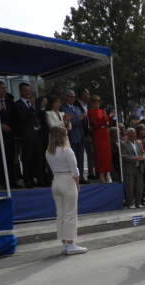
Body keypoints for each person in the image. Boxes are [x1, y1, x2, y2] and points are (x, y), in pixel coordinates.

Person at [45, 126, 87, 255]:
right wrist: (77, 184)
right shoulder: (67, 150)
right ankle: (71, 244)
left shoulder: (48, 151)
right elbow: (75, 171)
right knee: (70, 214)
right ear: (63, 136)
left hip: (56, 181)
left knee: (61, 214)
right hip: (67, 180)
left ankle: (64, 244)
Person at [14, 82, 44, 188]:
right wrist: (31, 107)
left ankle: (40, 179)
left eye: (29, 90)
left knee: (38, 158)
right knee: (28, 159)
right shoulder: (18, 104)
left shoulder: (33, 104)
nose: (28, 92)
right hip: (26, 136)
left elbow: (38, 116)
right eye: (25, 91)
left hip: (37, 135)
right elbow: (23, 117)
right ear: (21, 91)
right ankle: (28, 180)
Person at [61, 89, 87, 184]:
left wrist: (78, 119)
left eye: (74, 96)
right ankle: (73, 179)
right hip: (70, 137)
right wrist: (78, 119)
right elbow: (67, 123)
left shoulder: (77, 108)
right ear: (66, 97)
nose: (73, 98)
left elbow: (83, 121)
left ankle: (81, 177)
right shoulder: (63, 108)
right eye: (71, 96)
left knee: (80, 158)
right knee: (71, 159)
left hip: (80, 136)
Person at [88, 95, 113, 183]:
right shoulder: (90, 112)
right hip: (98, 134)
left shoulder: (103, 111)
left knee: (107, 155)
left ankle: (107, 173)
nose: (97, 103)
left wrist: (109, 117)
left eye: (98, 101)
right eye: (95, 102)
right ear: (92, 103)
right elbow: (95, 124)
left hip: (105, 133)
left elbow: (107, 122)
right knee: (100, 155)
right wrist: (104, 120)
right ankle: (101, 174)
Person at [74, 87, 95, 181]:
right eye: (87, 94)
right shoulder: (76, 105)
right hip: (80, 133)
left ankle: (91, 173)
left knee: (91, 153)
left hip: (89, 133)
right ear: (82, 95)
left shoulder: (88, 105)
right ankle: (80, 176)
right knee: (80, 156)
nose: (89, 96)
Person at [120, 128, 144, 208]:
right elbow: (124, 156)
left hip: (139, 168)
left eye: (134, 133)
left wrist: (143, 157)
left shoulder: (139, 143)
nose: (133, 134)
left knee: (139, 187)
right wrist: (136, 158)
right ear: (127, 134)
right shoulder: (123, 144)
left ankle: (138, 203)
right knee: (129, 187)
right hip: (129, 169)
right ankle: (130, 203)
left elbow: (143, 153)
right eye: (131, 133)